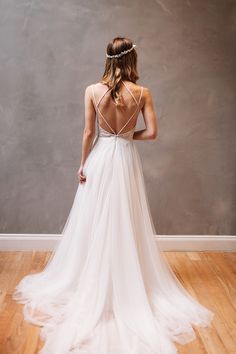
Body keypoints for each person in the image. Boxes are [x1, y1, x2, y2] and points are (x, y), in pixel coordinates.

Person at [12, 37, 214, 354]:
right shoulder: (142, 93)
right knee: (125, 217)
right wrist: (126, 137)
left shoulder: (92, 91)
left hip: (101, 157)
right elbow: (153, 132)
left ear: (107, 59)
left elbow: (88, 132)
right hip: (126, 158)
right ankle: (125, 278)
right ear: (132, 60)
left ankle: (92, 281)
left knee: (93, 220)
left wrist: (82, 164)